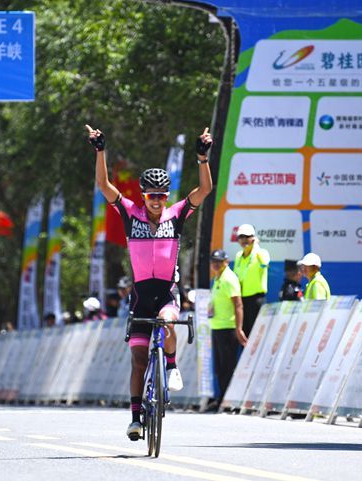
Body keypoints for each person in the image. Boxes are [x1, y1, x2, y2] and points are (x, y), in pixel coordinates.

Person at [87, 123, 212, 441]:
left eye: (161, 196)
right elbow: (103, 184)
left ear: (167, 197)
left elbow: (204, 190)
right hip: (141, 295)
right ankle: (135, 419)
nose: (157, 201)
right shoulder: (131, 214)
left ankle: (170, 365)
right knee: (138, 360)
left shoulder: (177, 214)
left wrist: (202, 158)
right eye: (151, 196)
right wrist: (101, 151)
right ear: (143, 196)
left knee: (167, 321)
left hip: (167, 292)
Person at [209, 250, 247, 405]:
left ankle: (230, 401)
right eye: (213, 261)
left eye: (219, 261)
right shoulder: (217, 278)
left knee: (228, 367)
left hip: (228, 328)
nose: (216, 264)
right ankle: (223, 399)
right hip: (217, 327)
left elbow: (238, 305)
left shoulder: (229, 279)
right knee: (220, 368)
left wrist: (239, 329)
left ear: (226, 262)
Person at [232, 224, 269, 336]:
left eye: (247, 236)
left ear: (253, 238)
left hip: (256, 300)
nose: (244, 240)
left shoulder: (262, 253)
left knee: (256, 334)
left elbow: (264, 263)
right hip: (242, 301)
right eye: (241, 237)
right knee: (244, 333)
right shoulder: (238, 256)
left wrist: (256, 247)